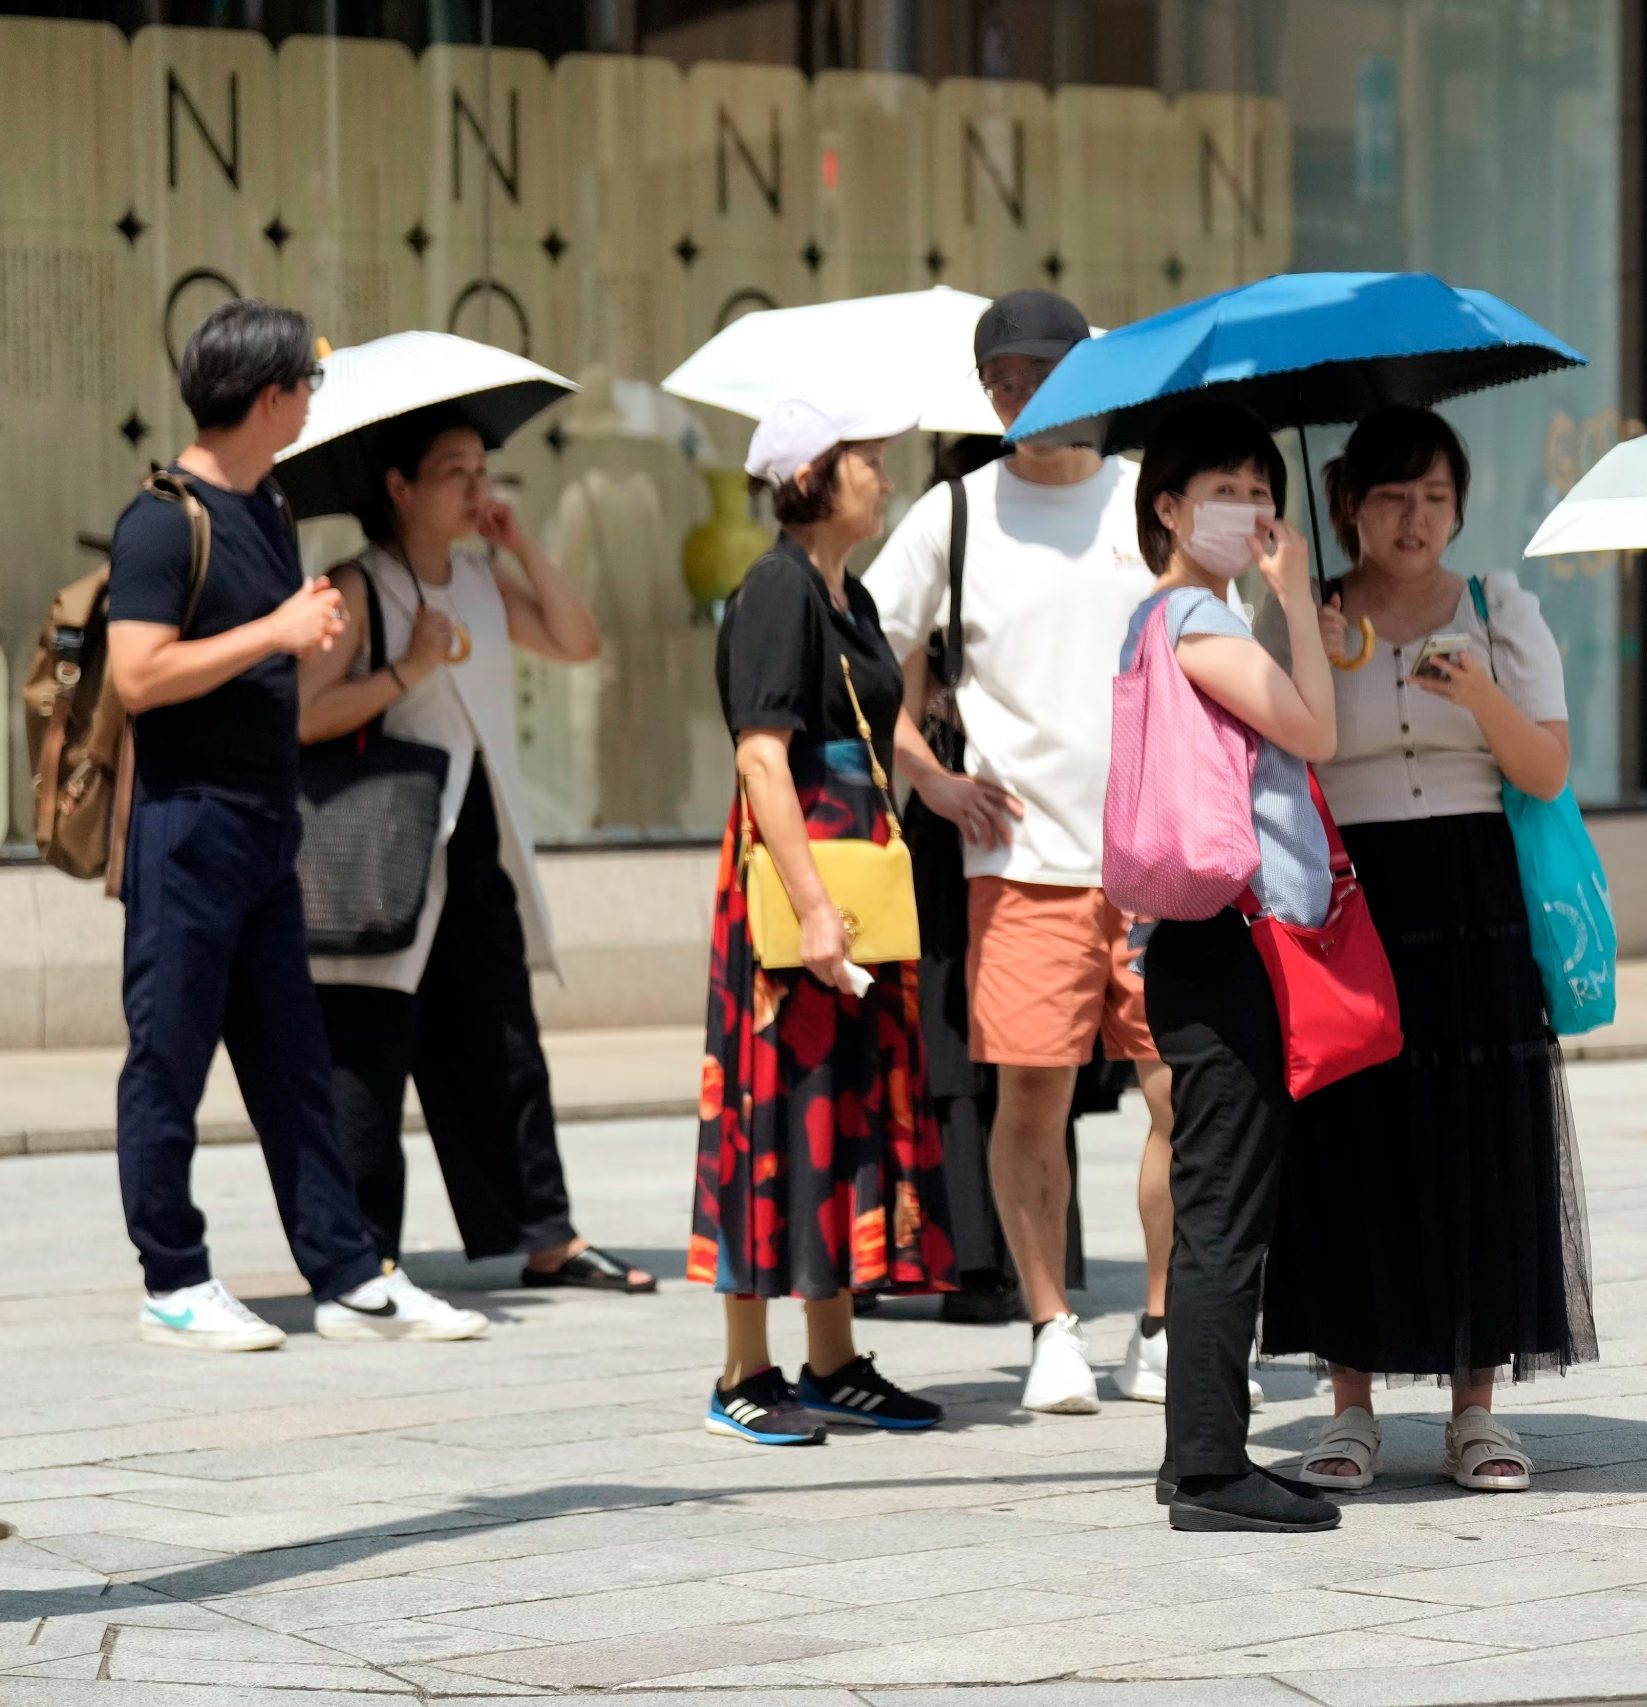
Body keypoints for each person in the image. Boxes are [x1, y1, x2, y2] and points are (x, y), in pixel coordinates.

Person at [105, 298, 486, 1350]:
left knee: (294, 1063)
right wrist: (274, 630)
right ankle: (173, 1278)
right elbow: (137, 674)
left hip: (271, 828)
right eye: (308, 386)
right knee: (168, 1058)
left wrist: (297, 632)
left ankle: (348, 1274)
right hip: (187, 829)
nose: (315, 403)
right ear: (270, 397)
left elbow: (256, 654)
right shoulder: (161, 520)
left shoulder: (267, 507)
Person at [1253, 407, 1596, 1494]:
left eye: (1435, 496)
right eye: (1393, 497)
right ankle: (1348, 1405)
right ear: (1347, 503)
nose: (1415, 519)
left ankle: (1475, 1407)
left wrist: (1479, 692)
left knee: (1479, 1140)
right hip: (1349, 898)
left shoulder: (1500, 607)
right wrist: (1297, 619)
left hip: (1470, 891)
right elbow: (1271, 758)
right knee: (1348, 1139)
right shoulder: (1305, 614)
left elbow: (1544, 769)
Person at [866, 289, 1183, 1416]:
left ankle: (1160, 1323)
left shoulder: (1149, 499)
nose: (1019, 396)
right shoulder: (951, 514)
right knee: (1030, 1102)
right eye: (1000, 379)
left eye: (1039, 374)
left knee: (1179, 1096)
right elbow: (860, 660)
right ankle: (1050, 1324)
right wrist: (931, 778)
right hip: (1018, 866)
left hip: (1159, 862)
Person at [299, 408, 654, 1289]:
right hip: (384, 843)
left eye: (480, 469)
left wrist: (522, 543)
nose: (475, 486)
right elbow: (300, 715)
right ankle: (362, 1246)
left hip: (477, 837)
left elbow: (579, 641)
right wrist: (405, 673)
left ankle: (546, 1234)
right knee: (369, 1049)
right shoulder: (356, 585)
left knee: (503, 1038)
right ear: (399, 488)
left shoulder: (483, 582)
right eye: (453, 471)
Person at [689, 396, 960, 1445]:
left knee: (837, 1111)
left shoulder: (838, 597)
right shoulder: (774, 590)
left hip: (853, 885)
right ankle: (742, 1371)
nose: (883, 479)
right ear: (811, 475)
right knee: (774, 1111)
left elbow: (877, 726)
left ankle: (835, 1356)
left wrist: (936, 785)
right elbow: (762, 755)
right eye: (866, 461)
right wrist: (809, 907)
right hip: (801, 885)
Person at [1124, 402, 1340, 1533]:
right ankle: (1209, 1468)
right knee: (1222, 1211)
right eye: (1225, 487)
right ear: (1167, 504)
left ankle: (1197, 1455)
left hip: (1198, 937)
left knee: (1223, 1200)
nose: (1251, 507)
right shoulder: (1198, 617)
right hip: (1227, 938)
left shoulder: (1154, 620)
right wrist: (1297, 597)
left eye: (1263, 487)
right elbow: (1316, 731)